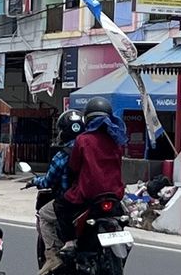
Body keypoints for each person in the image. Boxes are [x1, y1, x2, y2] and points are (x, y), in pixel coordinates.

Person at [51, 96, 128, 261]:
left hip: (89, 193)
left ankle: (70, 242)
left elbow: (74, 167)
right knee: (122, 215)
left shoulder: (83, 140)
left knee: (60, 206)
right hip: (115, 192)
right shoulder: (116, 140)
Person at [35, 109, 85, 275]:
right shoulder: (91, 149)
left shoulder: (63, 155)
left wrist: (35, 181)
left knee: (43, 214)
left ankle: (52, 255)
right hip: (93, 198)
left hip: (71, 200)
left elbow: (48, 181)